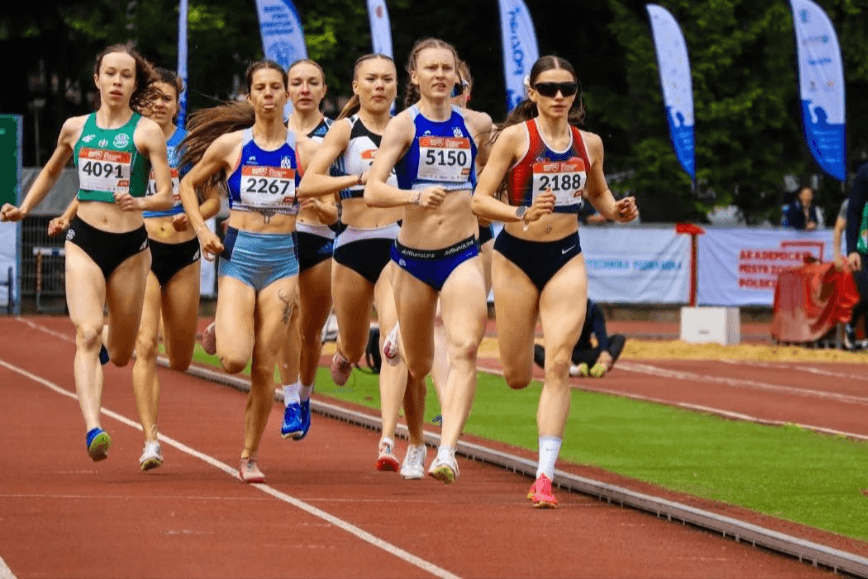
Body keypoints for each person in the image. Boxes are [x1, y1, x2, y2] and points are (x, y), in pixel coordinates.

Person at [471, 55, 638, 508]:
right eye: (549, 89)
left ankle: (544, 476)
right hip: (514, 259)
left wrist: (616, 210)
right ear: (533, 93)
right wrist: (520, 212)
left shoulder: (590, 144)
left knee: (560, 363)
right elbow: (479, 201)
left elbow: (598, 193)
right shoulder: (513, 140)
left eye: (567, 88)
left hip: (566, 257)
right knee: (517, 376)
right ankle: (522, 369)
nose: (559, 96)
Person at [0, 43, 174, 461]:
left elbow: (166, 194)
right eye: (110, 73)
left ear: (135, 83)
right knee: (87, 332)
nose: (117, 81)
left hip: (132, 249)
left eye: (126, 75)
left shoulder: (146, 132)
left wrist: (142, 203)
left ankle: (110, 347)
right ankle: (93, 428)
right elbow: (52, 170)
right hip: (85, 242)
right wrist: (24, 207)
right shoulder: (75, 127)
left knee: (118, 353)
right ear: (96, 79)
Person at [178, 60, 315, 483]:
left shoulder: (304, 149)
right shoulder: (232, 146)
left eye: (277, 87)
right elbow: (187, 186)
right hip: (239, 258)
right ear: (251, 96)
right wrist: (201, 231)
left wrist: (325, 202)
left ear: (287, 96)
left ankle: (249, 455)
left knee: (263, 364)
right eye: (262, 87)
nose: (270, 93)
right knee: (235, 360)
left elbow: (327, 197)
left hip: (283, 262)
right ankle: (225, 326)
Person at [365, 38, 493, 484]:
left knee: (466, 347)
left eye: (447, 67)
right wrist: (414, 195)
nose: (440, 75)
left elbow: (492, 180)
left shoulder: (477, 125)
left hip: (462, 253)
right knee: (417, 366)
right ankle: (416, 441)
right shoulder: (403, 126)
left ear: (458, 75)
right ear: (415, 77)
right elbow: (373, 189)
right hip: (412, 259)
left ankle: (449, 450)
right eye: (430, 68)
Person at [299, 54, 425, 477]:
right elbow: (308, 185)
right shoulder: (344, 130)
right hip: (352, 244)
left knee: (396, 346)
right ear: (356, 86)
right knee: (354, 344)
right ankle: (347, 355)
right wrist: (355, 181)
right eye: (370, 79)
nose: (379, 86)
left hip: (397, 243)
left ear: (398, 85)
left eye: (387, 79)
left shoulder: (410, 126)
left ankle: (389, 438)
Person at [130, 68, 221, 470]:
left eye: (165, 98)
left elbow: (214, 201)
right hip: (141, 250)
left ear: (177, 104)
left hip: (183, 254)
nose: (158, 104)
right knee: (145, 345)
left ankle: (209, 332)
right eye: (150, 98)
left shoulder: (191, 146)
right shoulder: (130, 140)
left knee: (181, 359)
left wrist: (195, 216)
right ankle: (151, 440)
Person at [277, 59, 338, 442]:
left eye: (312, 82)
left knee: (311, 331)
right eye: (296, 82)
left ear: (323, 90)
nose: (304, 89)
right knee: (286, 315)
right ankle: (289, 401)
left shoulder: (336, 135)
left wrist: (322, 207)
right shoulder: (269, 136)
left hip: (322, 239)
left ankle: (306, 394)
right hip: (281, 239)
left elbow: (339, 207)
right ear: (286, 91)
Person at [533, 298, 626, 377]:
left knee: (619, 338)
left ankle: (601, 365)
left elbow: (601, 334)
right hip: (564, 357)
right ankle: (573, 370)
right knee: (534, 349)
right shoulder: (559, 310)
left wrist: (604, 352)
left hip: (588, 355)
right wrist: (562, 357)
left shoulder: (592, 308)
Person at [845, 162, 868, 350]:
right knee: (866, 295)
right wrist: (852, 249)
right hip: (865, 246)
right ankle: (850, 325)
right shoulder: (865, 172)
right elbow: (853, 211)